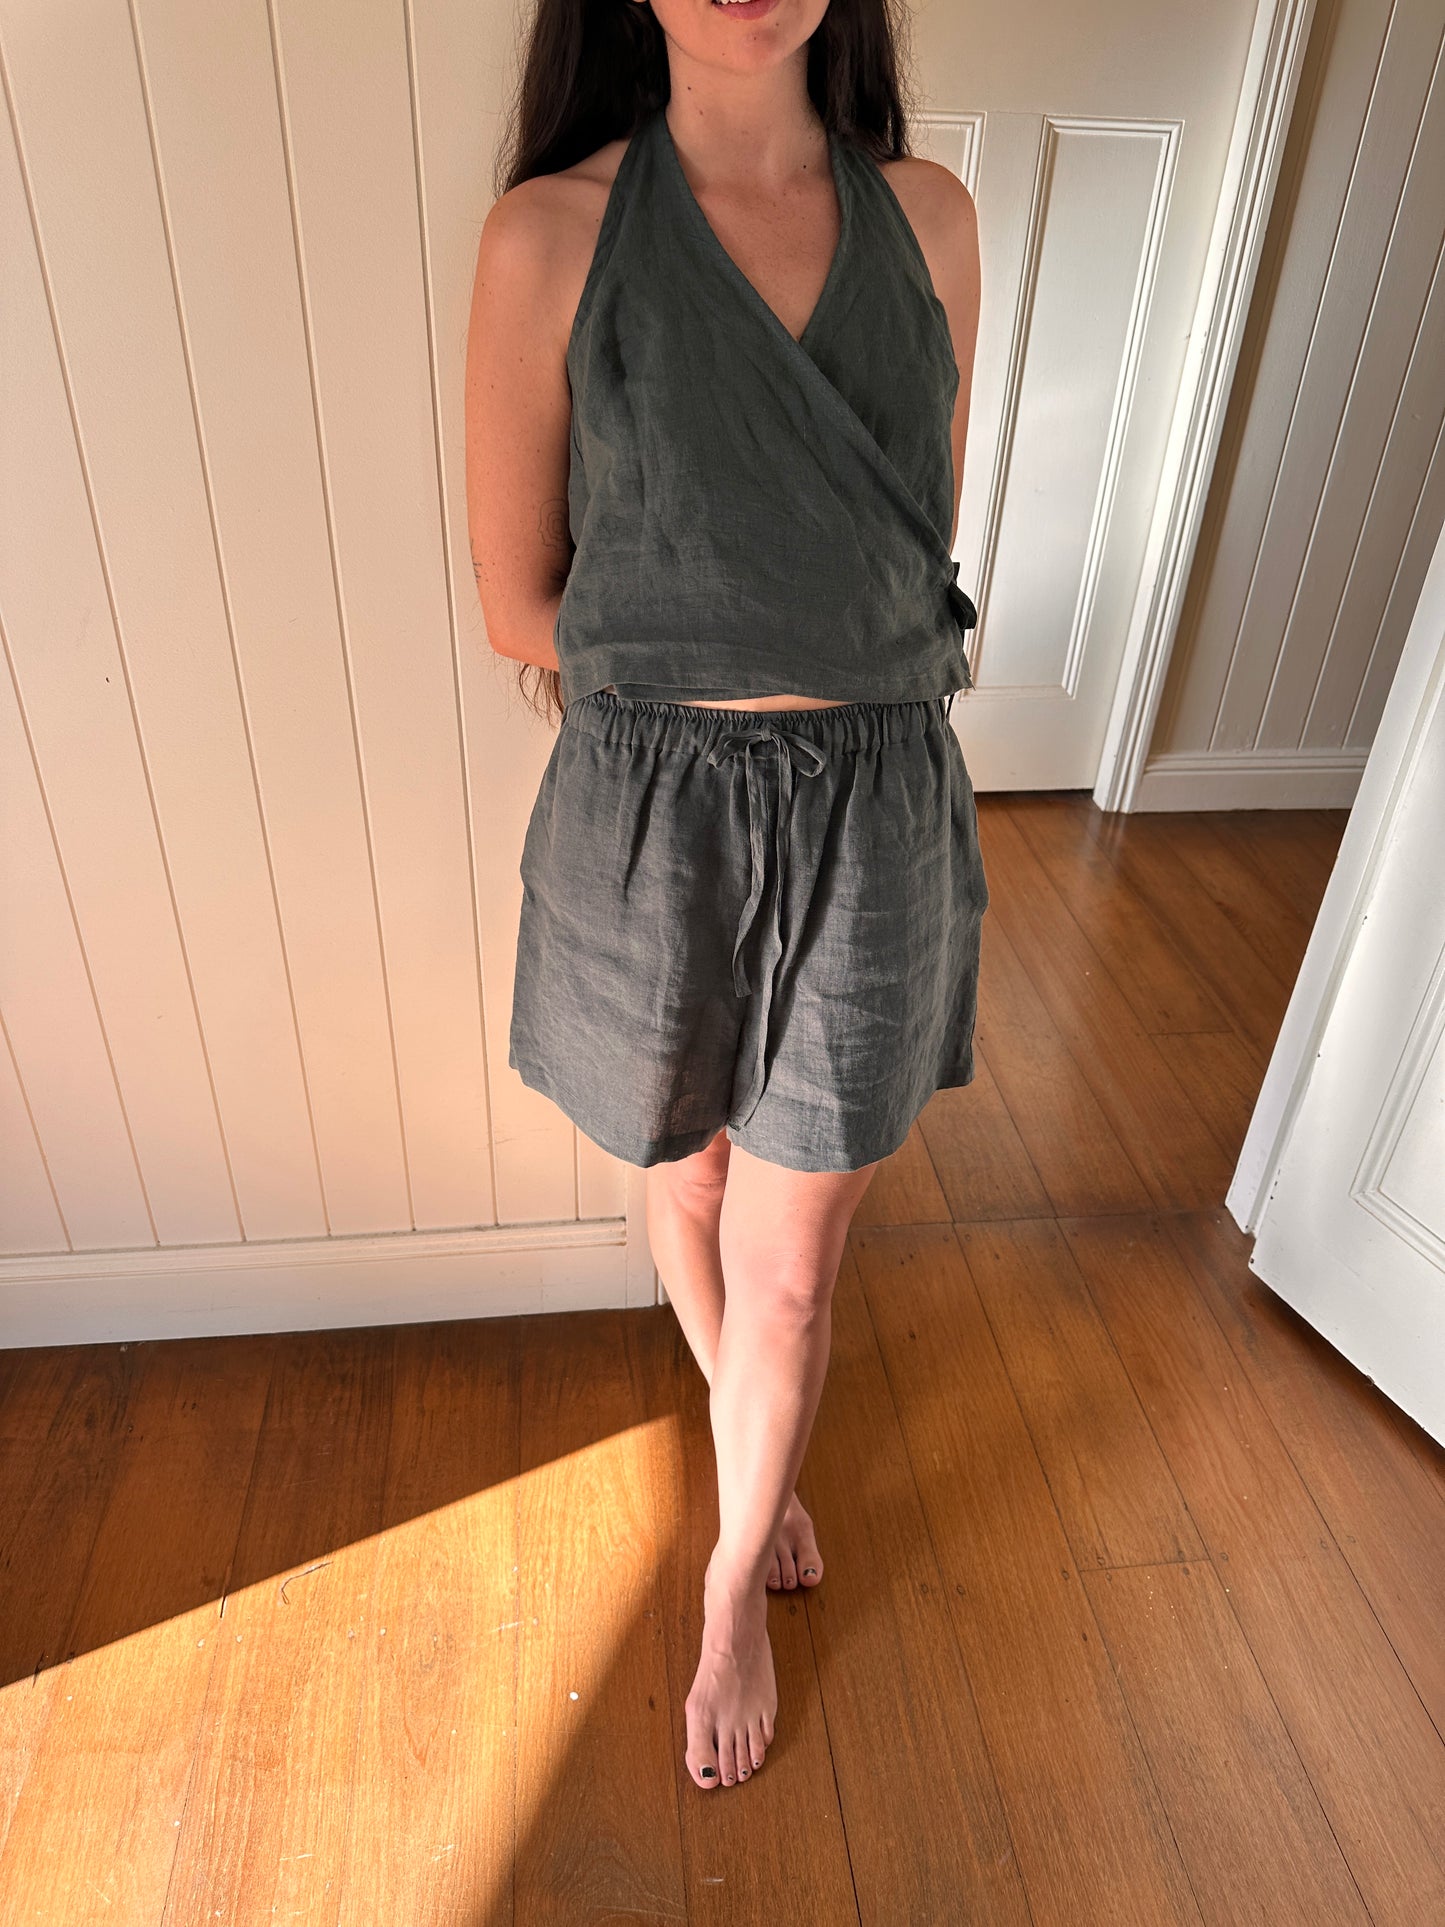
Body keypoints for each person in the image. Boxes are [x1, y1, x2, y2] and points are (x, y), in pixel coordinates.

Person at [465, 0, 986, 1793]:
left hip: (874, 808)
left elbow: (903, 546)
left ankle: (725, 1585)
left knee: (791, 1273)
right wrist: (717, 660)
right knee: (682, 1178)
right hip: (652, 813)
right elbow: (518, 600)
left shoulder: (929, 221)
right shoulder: (548, 239)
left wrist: (819, 658)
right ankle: (747, 1449)